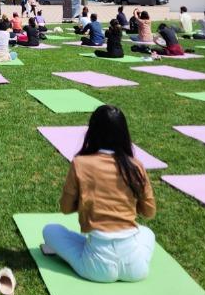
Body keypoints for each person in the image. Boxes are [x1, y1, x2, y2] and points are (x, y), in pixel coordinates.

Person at [42, 105, 156, 283]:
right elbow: (149, 211)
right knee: (147, 232)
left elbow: (65, 208)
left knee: (50, 230)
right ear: (124, 134)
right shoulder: (136, 166)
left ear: (92, 132)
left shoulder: (80, 163)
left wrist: (86, 202)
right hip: (136, 268)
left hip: (96, 266)